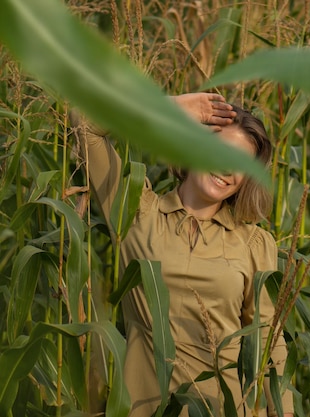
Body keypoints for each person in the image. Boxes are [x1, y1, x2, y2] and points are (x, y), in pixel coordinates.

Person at [71, 93, 294, 417]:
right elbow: (84, 123)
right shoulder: (134, 211)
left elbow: (269, 341)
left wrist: (283, 411)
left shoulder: (253, 244)